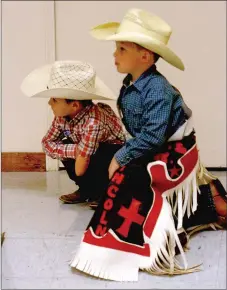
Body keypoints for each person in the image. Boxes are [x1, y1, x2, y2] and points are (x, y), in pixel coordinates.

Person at [70, 8, 227, 281]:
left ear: (144, 56)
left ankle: (152, 238)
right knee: (114, 167)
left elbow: (154, 136)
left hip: (174, 146)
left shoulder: (157, 89)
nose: (114, 55)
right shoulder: (131, 82)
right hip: (154, 142)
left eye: (121, 49)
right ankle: (116, 224)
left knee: (133, 176)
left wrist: (123, 155)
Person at [21, 60, 125, 204]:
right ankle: (86, 190)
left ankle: (102, 191)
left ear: (74, 105)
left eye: (55, 100)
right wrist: (74, 150)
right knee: (67, 147)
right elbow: (47, 143)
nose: (49, 103)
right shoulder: (62, 118)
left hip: (110, 149)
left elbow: (80, 169)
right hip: (84, 150)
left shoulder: (94, 121)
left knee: (99, 155)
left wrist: (78, 152)